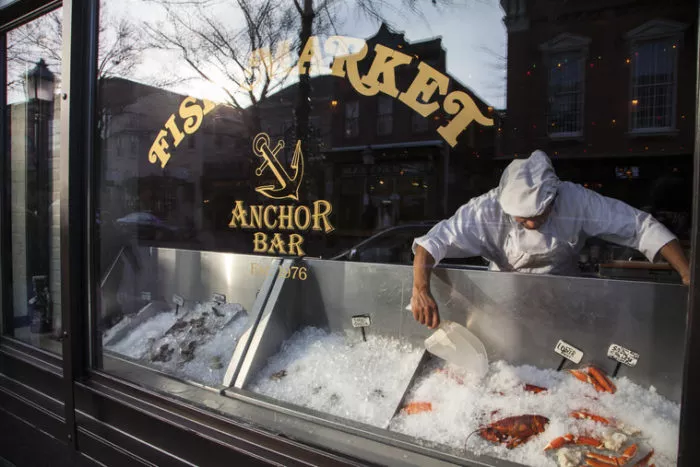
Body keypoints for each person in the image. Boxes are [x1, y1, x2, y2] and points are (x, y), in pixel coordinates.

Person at [411, 150, 691, 329]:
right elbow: (432, 242)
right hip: (503, 305)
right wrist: (420, 290)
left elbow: (640, 226)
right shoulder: (485, 208)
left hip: (564, 304)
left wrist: (687, 272)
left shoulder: (576, 200)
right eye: (523, 219)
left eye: (539, 214)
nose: (532, 223)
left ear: (554, 196)